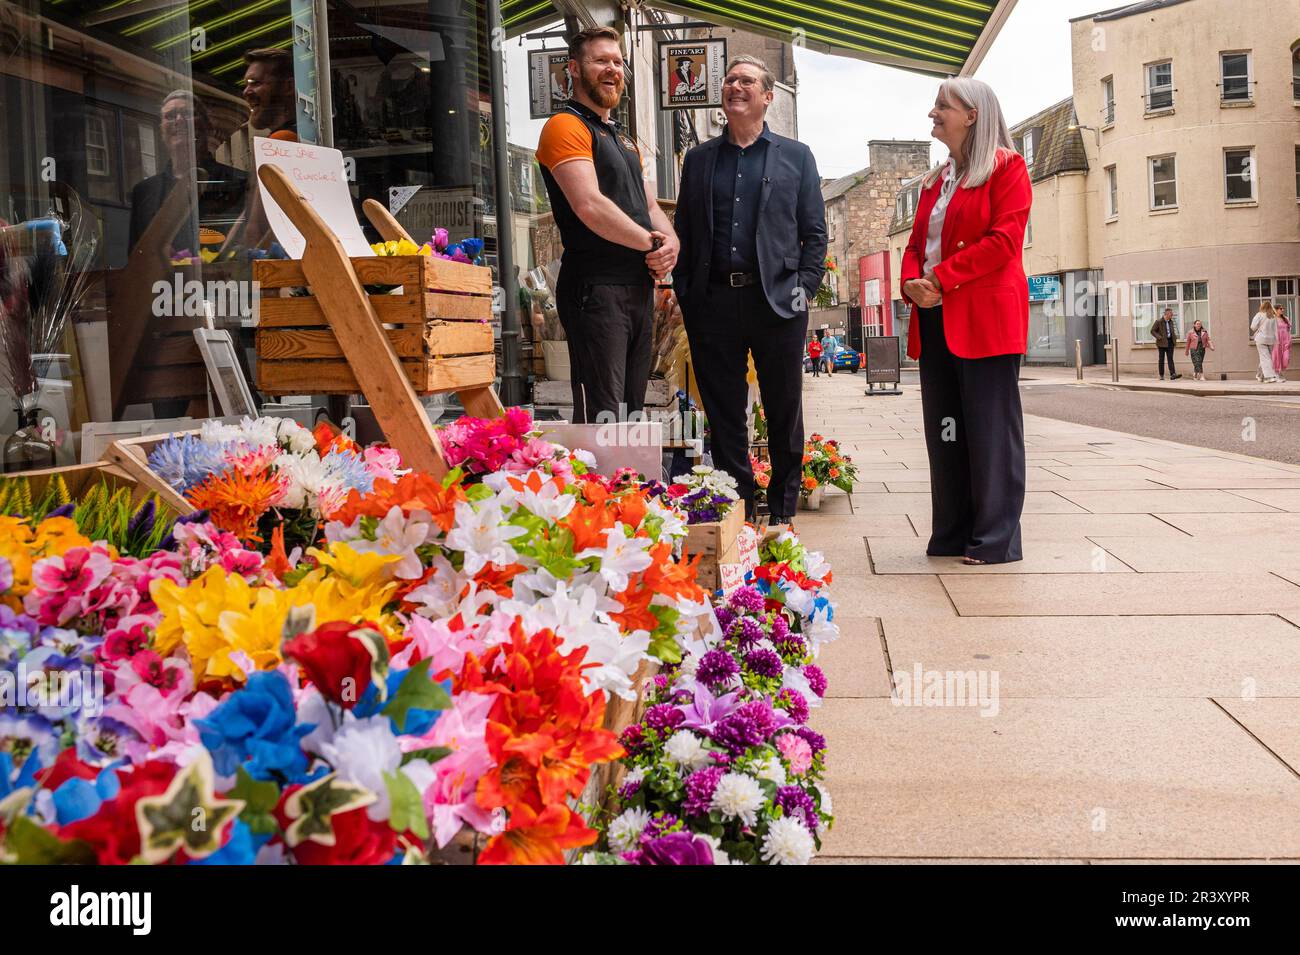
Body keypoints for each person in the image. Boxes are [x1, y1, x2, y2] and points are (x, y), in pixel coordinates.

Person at [672, 55, 827, 527]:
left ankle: (781, 509)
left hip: (777, 301)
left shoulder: (796, 157)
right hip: (712, 302)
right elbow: (686, 232)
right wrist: (686, 293)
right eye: (730, 80)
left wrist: (802, 288)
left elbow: (814, 234)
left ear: (767, 96)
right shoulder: (698, 159)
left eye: (746, 81)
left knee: (783, 407)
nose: (735, 86)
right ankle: (740, 503)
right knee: (724, 412)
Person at [900, 77, 1031, 565]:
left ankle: (995, 539)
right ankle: (952, 533)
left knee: (990, 432)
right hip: (935, 318)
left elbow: (1003, 241)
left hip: (986, 320)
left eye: (941, 107)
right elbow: (914, 245)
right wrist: (911, 281)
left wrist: (939, 278)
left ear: (972, 114)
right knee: (947, 430)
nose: (932, 114)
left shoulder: (1008, 168)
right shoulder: (936, 181)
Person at [534, 26, 678, 423]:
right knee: (603, 413)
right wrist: (653, 245)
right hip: (594, 288)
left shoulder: (624, 140)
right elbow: (589, 205)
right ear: (575, 70)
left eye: (617, 62)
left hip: (636, 288)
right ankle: (598, 485)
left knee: (631, 411)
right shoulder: (565, 126)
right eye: (601, 61)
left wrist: (672, 243)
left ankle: (627, 486)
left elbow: (649, 205)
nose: (612, 69)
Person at [128, 90, 247, 253]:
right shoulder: (144, 192)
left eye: (188, 114)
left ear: (208, 126)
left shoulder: (238, 183)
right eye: (170, 116)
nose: (179, 120)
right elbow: (137, 258)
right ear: (161, 130)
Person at [242, 48, 297, 140]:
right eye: (246, 85)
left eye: (255, 82)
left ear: (289, 87)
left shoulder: (283, 140)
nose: (245, 92)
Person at [1149, 308, 1182, 380]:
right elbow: (1152, 331)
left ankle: (1173, 374)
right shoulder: (1159, 321)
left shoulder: (1171, 321)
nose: (1172, 315)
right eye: (1171, 313)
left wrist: (1174, 338)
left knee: (1170, 359)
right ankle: (1161, 375)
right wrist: (1159, 337)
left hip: (1170, 342)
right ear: (1166, 314)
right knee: (1161, 359)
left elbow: (1171, 331)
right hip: (1161, 343)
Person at [1251, 301, 1281, 383]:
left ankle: (1269, 377)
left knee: (1265, 358)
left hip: (1261, 339)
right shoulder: (1273, 317)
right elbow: (1276, 330)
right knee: (1266, 357)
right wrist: (1277, 341)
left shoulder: (1259, 315)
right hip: (1271, 340)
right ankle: (1259, 376)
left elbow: (1253, 327)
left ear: (1262, 307)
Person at [1273, 308, 1291, 379]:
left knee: (1286, 358)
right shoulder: (1273, 319)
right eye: (1281, 308)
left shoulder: (1286, 319)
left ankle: (1280, 372)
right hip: (1277, 341)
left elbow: (1289, 330)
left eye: (1283, 308)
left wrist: (1289, 340)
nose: (1283, 310)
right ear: (1276, 310)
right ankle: (1277, 373)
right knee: (1277, 357)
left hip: (1286, 341)